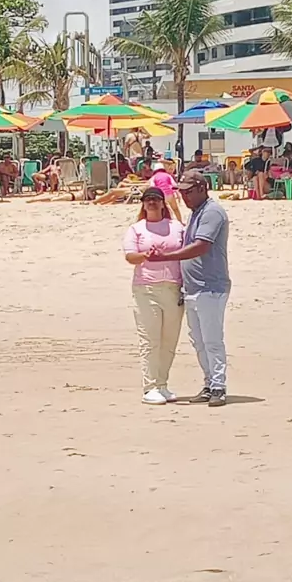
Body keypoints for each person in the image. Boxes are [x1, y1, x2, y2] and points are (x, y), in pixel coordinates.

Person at [147, 170, 230, 407]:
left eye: (188, 192)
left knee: (212, 340)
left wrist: (165, 257)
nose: (184, 197)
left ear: (202, 189)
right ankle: (209, 382)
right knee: (199, 341)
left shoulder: (212, 212)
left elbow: (201, 246)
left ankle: (219, 386)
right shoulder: (196, 213)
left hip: (210, 287)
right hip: (193, 288)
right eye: (181, 193)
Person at [123, 187, 185, 405]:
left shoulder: (177, 227)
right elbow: (130, 256)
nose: (151, 203)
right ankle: (149, 387)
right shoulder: (136, 229)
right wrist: (144, 255)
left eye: (155, 199)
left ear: (162, 203)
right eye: (148, 199)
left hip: (173, 288)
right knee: (150, 340)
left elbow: (187, 252)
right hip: (146, 289)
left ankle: (162, 384)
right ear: (143, 204)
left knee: (169, 340)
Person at [26, 187, 96, 203]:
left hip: (71, 196)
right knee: (52, 198)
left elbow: (91, 197)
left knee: (52, 198)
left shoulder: (88, 191)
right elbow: (92, 197)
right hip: (71, 196)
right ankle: (34, 200)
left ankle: (34, 200)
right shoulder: (89, 191)